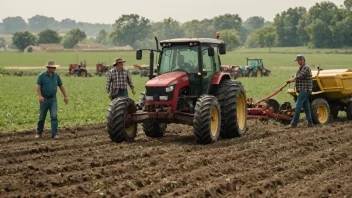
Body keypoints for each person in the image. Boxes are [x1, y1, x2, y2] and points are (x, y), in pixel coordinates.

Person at [36, 61, 68, 139]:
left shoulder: (56, 76)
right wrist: (40, 96)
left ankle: (54, 134)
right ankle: (39, 133)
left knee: (54, 116)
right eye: (52, 67)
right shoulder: (42, 76)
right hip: (44, 99)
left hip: (53, 99)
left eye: (54, 67)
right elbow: (38, 86)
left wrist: (65, 96)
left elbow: (61, 86)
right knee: (42, 117)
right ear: (48, 68)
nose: (54, 68)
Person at [286, 55, 314, 128]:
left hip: (305, 89)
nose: (299, 62)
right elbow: (297, 76)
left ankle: (294, 123)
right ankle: (310, 123)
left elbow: (300, 76)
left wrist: (292, 80)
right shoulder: (301, 68)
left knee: (298, 105)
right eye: (298, 61)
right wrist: (291, 79)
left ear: (303, 60)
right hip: (302, 89)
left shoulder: (306, 67)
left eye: (300, 60)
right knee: (306, 106)